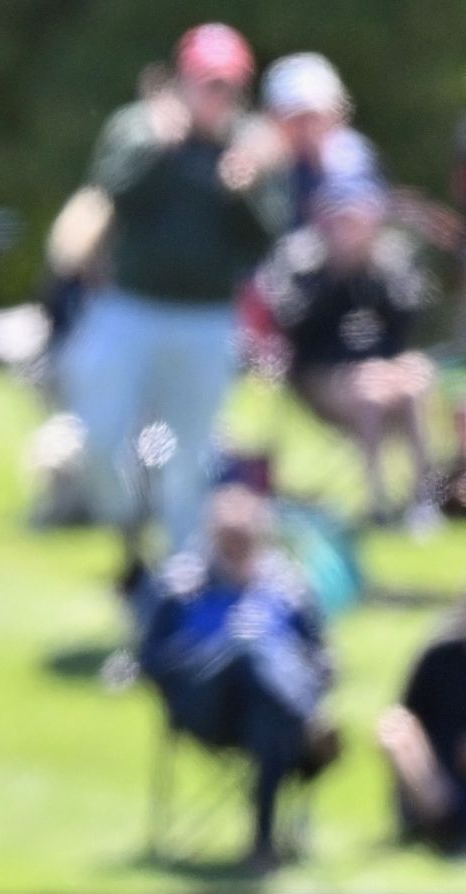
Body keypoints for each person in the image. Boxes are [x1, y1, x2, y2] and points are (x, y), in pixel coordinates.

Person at [60, 23, 292, 560]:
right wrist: (158, 152)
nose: (218, 97)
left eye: (228, 87)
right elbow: (110, 193)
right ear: (183, 81)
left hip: (207, 320)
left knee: (190, 453)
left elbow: (269, 237)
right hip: (128, 309)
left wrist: (248, 191)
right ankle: (125, 521)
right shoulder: (140, 130)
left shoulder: (251, 148)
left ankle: (178, 576)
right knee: (95, 435)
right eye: (208, 83)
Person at [133, 485, 339, 870]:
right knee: (248, 651)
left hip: (267, 719)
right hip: (207, 705)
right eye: (229, 543)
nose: (238, 552)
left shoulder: (289, 593)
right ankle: (310, 728)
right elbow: (153, 661)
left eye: (247, 543)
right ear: (212, 539)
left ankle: (261, 845)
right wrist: (226, 649)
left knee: (267, 709)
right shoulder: (182, 590)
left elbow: (324, 662)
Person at [257, 178, 437, 526]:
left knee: (415, 379)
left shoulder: (388, 258)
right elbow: (292, 322)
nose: (348, 229)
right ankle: (377, 500)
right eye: (340, 219)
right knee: (367, 391)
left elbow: (408, 321)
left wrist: (374, 269)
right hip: (322, 374)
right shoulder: (300, 259)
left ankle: (423, 502)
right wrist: (334, 274)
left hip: (382, 368)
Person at [378, 599, 466, 851]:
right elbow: (405, 714)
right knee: (394, 728)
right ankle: (437, 821)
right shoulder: (438, 658)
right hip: (435, 771)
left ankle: (447, 829)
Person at [262, 53, 380, 229]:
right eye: (296, 119)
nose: (307, 129)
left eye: (314, 117)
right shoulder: (265, 167)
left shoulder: (351, 160)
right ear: (273, 119)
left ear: (338, 116)